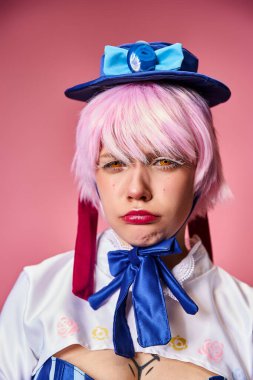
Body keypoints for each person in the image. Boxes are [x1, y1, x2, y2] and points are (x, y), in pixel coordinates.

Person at [0, 41, 252, 380]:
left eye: (165, 161)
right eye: (115, 163)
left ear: (200, 172)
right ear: (94, 173)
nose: (136, 190)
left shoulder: (246, 317)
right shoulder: (38, 292)